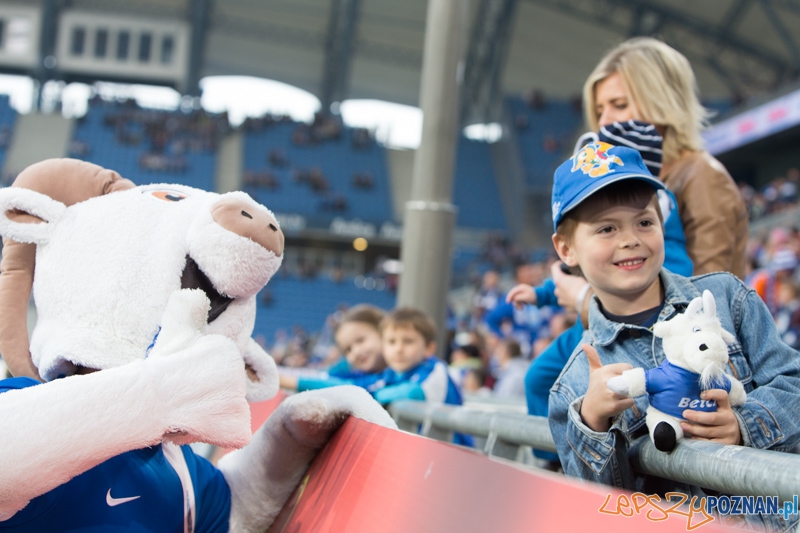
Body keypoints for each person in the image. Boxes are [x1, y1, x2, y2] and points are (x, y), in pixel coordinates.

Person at [517, 143, 800, 532]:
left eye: (644, 222)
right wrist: (593, 425)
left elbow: (794, 382)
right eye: (606, 228)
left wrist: (744, 424)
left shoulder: (726, 297)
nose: (630, 239)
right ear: (566, 249)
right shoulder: (574, 387)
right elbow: (598, 513)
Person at [584, 36, 748, 279]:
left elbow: (709, 297)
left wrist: (585, 301)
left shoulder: (702, 176)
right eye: (599, 111)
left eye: (619, 105)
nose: (604, 122)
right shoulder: (633, 179)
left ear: (661, 104)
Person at [278, 304, 387, 392]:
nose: (356, 352)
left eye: (360, 340)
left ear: (383, 331)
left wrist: (288, 381)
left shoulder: (396, 375)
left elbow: (349, 387)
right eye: (347, 350)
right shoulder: (354, 369)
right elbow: (322, 376)